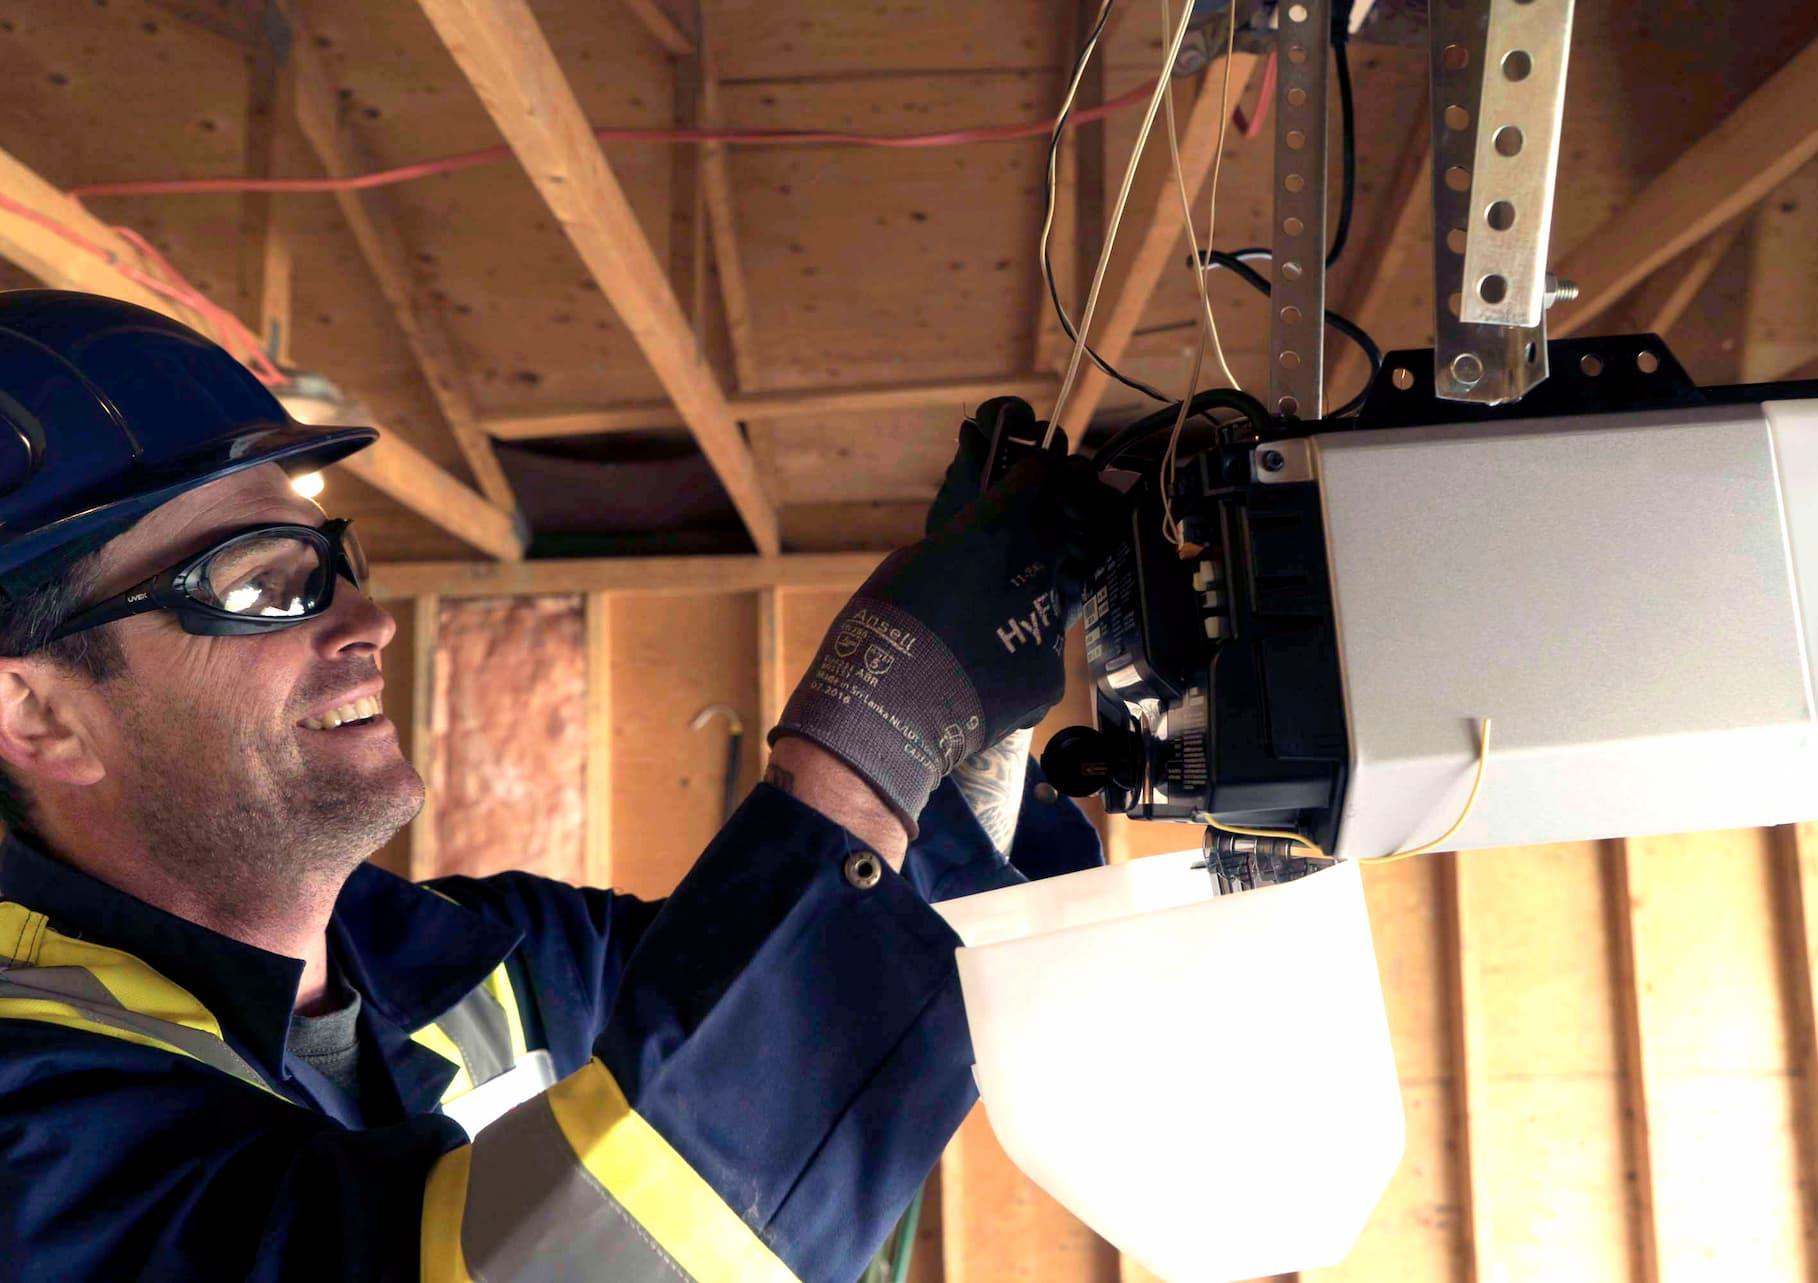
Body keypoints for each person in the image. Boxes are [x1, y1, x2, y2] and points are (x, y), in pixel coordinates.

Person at [0, 291, 1115, 1281]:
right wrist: (875, 724)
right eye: (260, 586)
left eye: (334, 559)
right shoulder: (37, 1125)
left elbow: (851, 975)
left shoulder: (477, 959)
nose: (369, 622)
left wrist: (975, 738)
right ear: (39, 713)